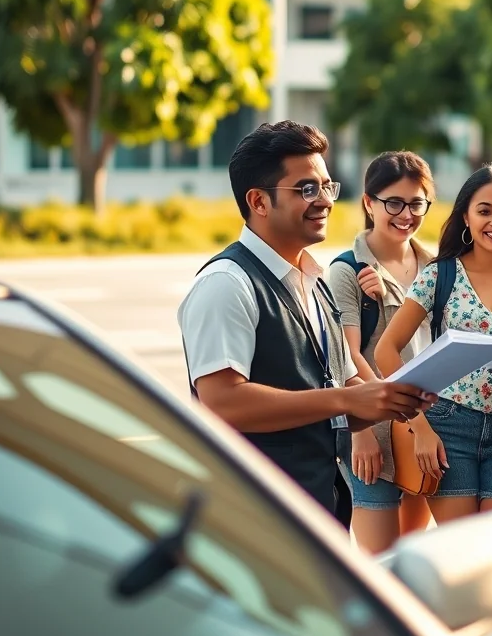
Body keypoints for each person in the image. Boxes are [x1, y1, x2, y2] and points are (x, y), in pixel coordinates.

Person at [178, 121, 436, 528]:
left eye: (327, 187)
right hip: (254, 514)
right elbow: (222, 402)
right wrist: (347, 401)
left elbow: (343, 386)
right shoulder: (226, 284)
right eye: (306, 189)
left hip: (318, 507)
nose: (325, 201)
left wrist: (393, 399)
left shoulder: (315, 281)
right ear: (258, 202)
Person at [375, 163, 492, 523]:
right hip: (448, 427)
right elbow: (387, 350)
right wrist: (420, 427)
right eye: (484, 211)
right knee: (460, 549)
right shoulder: (439, 274)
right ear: (465, 217)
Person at [326, 151, 436, 552]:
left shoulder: (435, 266)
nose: (406, 214)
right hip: (373, 432)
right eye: (394, 202)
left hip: (423, 426)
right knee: (380, 565)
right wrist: (361, 433)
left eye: (416, 203)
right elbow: (346, 355)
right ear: (369, 203)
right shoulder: (347, 271)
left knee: (413, 554)